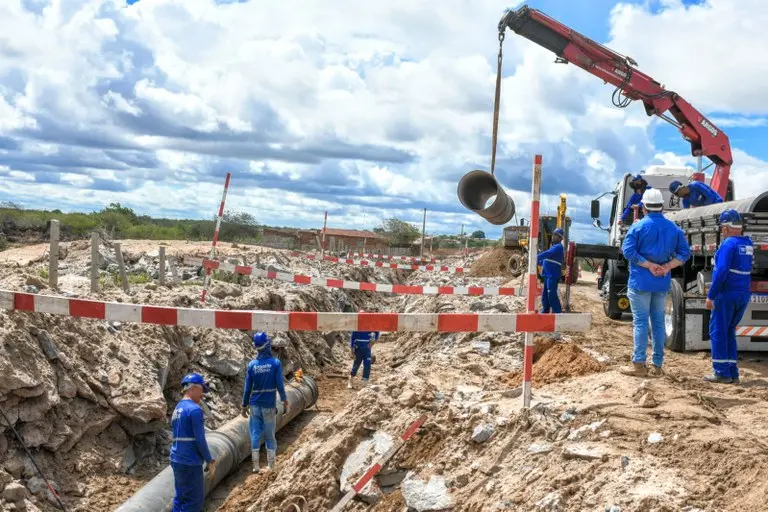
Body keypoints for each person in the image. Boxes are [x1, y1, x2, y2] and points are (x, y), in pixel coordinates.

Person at [620, 188, 691, 377]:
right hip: (661, 282)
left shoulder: (638, 227)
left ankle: (639, 364)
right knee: (658, 322)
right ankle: (657, 365)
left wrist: (649, 264)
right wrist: (667, 266)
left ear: (643, 207)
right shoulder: (673, 229)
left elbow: (628, 252)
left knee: (641, 322)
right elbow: (685, 253)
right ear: (661, 207)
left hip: (640, 282)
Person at [704, 209, 753, 384]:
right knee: (729, 332)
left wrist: (711, 295)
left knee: (718, 332)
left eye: (722, 227)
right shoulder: (747, 243)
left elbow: (722, 271)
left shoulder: (728, 244)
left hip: (727, 294)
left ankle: (721, 373)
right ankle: (732, 372)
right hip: (742, 293)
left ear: (726, 228)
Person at [241, 332, 288, 473]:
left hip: (254, 405)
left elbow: (247, 387)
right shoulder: (275, 363)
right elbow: (280, 384)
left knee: (255, 434)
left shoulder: (252, 365)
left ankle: (255, 466)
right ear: (267, 345)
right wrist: (285, 400)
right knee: (269, 435)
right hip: (269, 405)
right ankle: (271, 466)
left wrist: (244, 404)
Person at [170, 373, 216, 512]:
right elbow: (200, 439)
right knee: (194, 501)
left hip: (177, 459)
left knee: (180, 497)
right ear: (193, 388)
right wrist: (209, 460)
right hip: (190, 461)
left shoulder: (177, 408)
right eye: (202, 389)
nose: (202, 395)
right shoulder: (195, 410)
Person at [348, 311, 380, 389]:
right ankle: (350, 380)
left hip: (367, 350)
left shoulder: (369, 325)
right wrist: (352, 351)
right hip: (358, 349)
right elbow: (352, 339)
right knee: (356, 365)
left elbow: (377, 331)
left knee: (367, 365)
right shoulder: (356, 327)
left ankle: (364, 383)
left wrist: (373, 342)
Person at [536, 228, 565, 314]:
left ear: (560, 238)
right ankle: (546, 310)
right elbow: (546, 260)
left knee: (551, 294)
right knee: (545, 295)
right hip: (547, 275)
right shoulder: (553, 247)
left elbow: (546, 254)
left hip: (552, 275)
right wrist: (537, 261)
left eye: (555, 235)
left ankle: (557, 312)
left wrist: (535, 256)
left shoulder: (559, 247)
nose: (553, 237)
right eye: (553, 235)